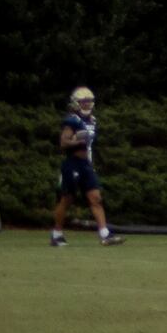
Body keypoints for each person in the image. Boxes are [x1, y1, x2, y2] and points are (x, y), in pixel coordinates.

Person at [53, 87, 113, 248]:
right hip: (72, 163)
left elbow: (90, 145)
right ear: (76, 103)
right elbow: (63, 142)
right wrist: (77, 141)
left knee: (96, 198)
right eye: (83, 102)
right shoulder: (72, 120)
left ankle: (104, 234)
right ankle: (56, 234)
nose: (87, 105)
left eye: (89, 102)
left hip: (86, 164)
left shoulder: (92, 120)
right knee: (67, 199)